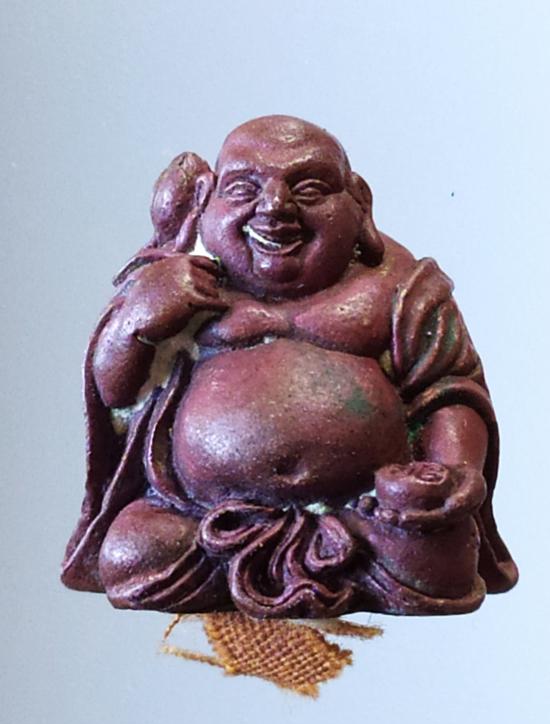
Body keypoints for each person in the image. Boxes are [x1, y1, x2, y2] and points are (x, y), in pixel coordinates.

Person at [61, 116, 517, 618]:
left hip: (363, 516)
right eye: (244, 188)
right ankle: (265, 563)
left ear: (359, 204)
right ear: (204, 201)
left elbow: (449, 391)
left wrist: (453, 471)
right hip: (205, 519)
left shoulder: (400, 291)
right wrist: (137, 324)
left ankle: (356, 550)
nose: (275, 206)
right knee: (130, 551)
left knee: (445, 558)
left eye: (310, 189)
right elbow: (116, 393)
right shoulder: (174, 286)